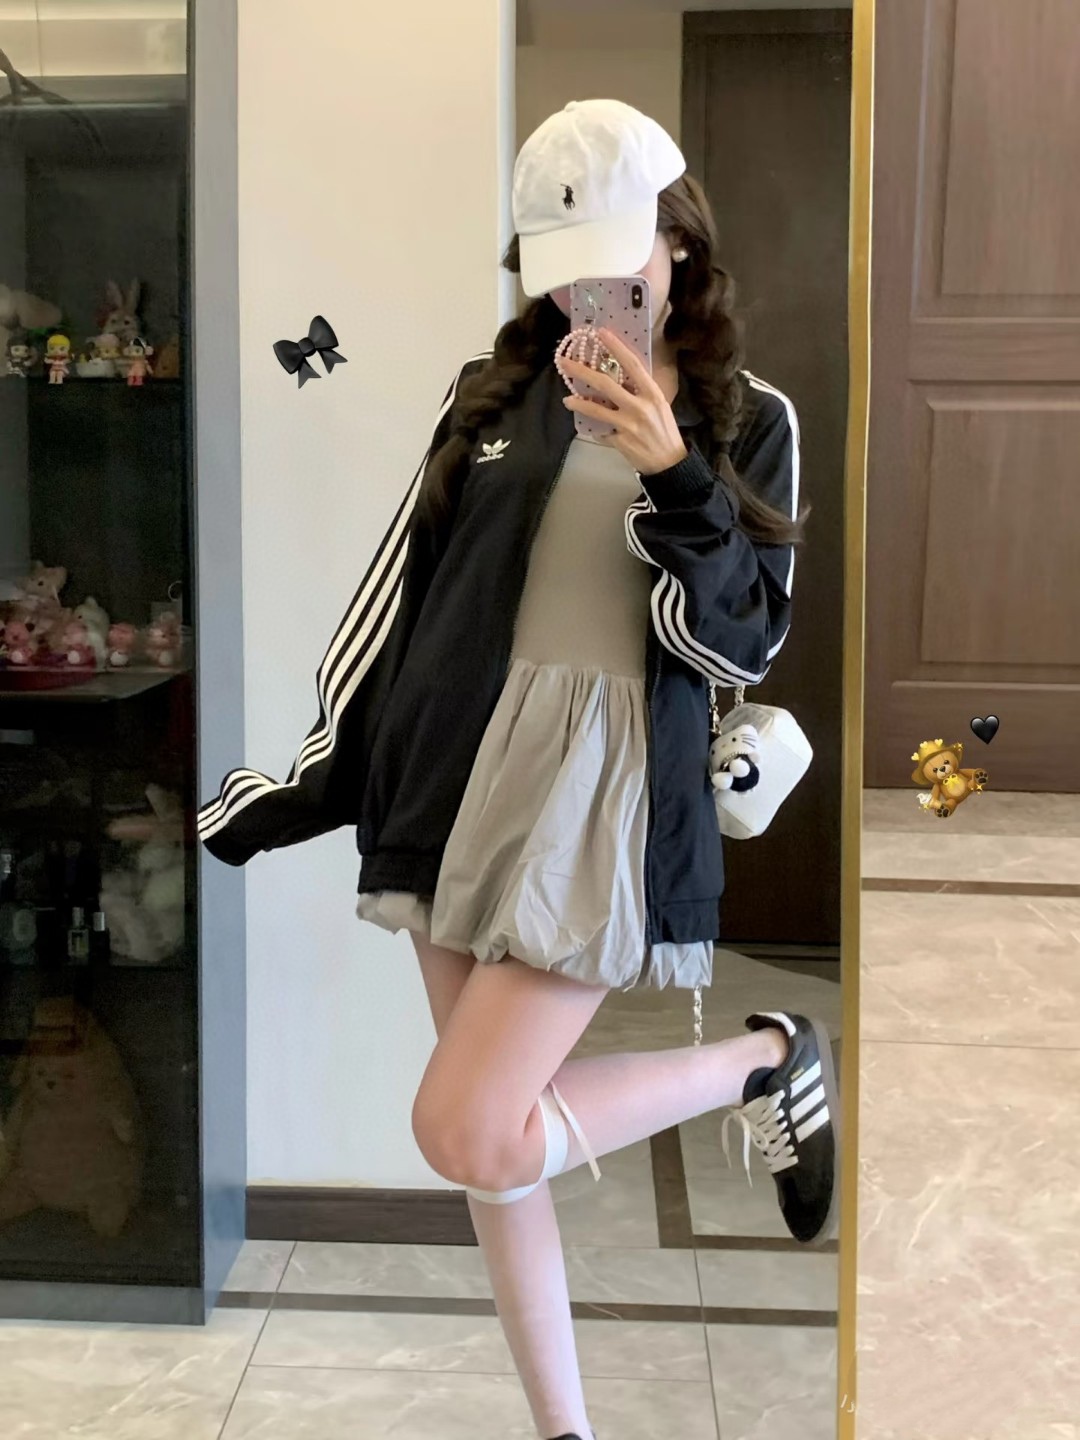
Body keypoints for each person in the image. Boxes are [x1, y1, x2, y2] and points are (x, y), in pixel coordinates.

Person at [198, 98, 837, 1440]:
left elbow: (742, 640)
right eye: (564, 275)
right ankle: (565, 1431)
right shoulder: (489, 396)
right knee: (501, 1146)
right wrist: (313, 780)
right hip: (453, 775)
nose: (589, 299)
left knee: (469, 1126)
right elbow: (401, 601)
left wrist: (676, 473)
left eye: (617, 265)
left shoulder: (749, 417)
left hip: (602, 792)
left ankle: (763, 1061)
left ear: (679, 238)